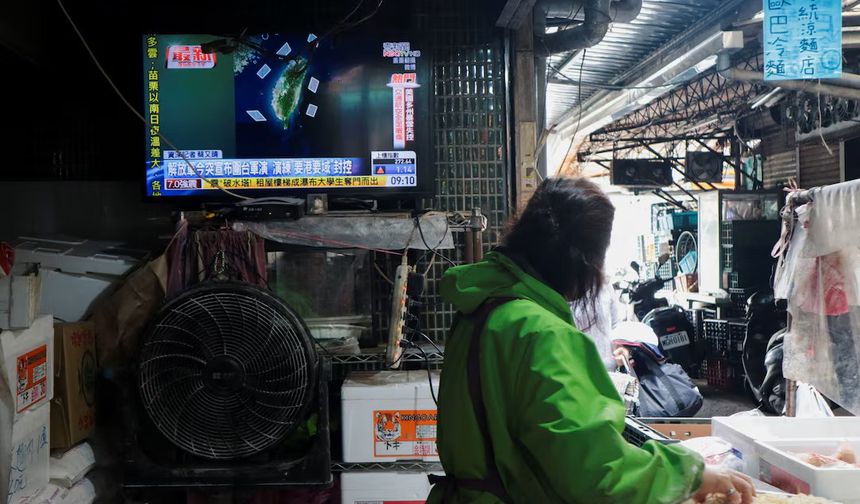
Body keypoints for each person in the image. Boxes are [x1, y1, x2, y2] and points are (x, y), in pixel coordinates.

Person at [428, 177, 754, 504]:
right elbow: (599, 474)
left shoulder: (482, 310)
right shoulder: (539, 333)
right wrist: (691, 475)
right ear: (583, 262)